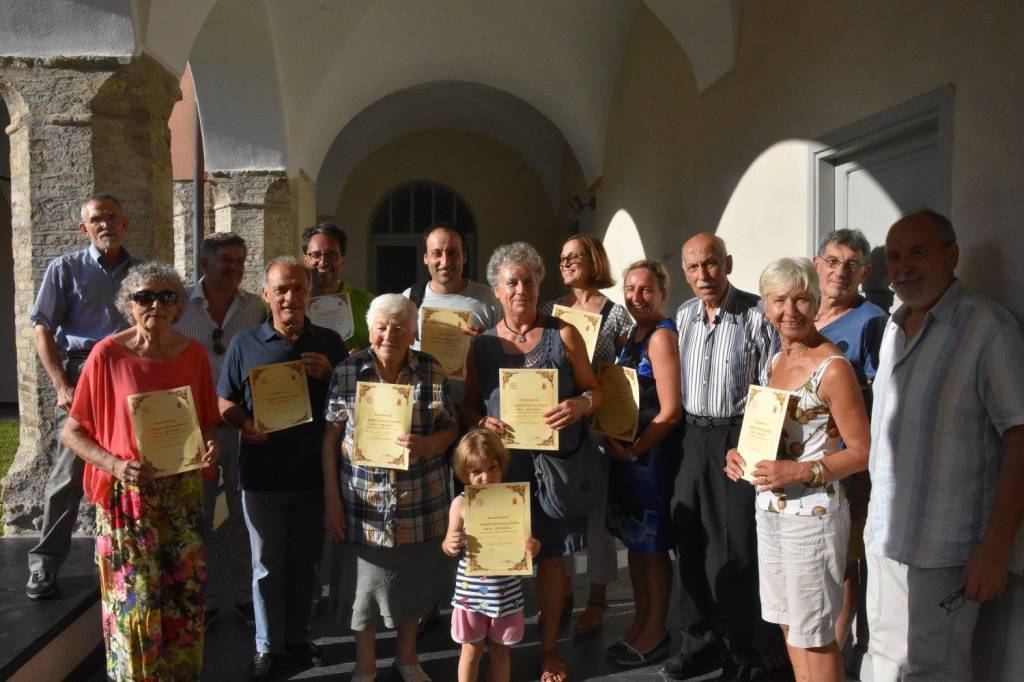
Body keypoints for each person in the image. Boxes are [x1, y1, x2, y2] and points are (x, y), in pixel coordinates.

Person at [864, 210, 1024, 681]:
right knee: (882, 658)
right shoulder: (893, 328)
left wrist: (996, 547)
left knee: (935, 670)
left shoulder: (987, 327)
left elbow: (1020, 437)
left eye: (918, 252)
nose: (903, 266)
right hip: (885, 537)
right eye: (894, 257)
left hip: (948, 549)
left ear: (951, 254)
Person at [61, 262, 220, 680]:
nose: (156, 305)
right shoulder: (107, 355)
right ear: (128, 305)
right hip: (125, 500)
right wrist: (115, 464)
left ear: (179, 305)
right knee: (134, 602)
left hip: (180, 496)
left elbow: (204, 424)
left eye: (166, 297)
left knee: (182, 598)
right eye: (144, 297)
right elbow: (72, 432)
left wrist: (208, 447)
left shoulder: (194, 354)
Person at [725, 257, 870, 682]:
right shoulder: (774, 362)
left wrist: (799, 473)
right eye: (779, 300)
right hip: (769, 510)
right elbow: (768, 433)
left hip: (813, 519)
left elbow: (862, 451)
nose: (790, 311)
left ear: (816, 302)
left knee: (815, 633)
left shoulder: (834, 368)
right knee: (788, 622)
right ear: (766, 305)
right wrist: (739, 454)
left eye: (802, 299)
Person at [463, 241, 602, 682]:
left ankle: (548, 648)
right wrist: (482, 418)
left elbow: (594, 390)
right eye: (512, 282)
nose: (521, 288)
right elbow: (467, 406)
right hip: (501, 468)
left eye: (529, 280)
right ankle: (494, 644)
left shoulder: (564, 334)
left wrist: (580, 406)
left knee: (553, 557)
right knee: (501, 553)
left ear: (539, 283)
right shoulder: (482, 345)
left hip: (554, 468)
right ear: (496, 291)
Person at [218, 257, 344, 680]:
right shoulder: (244, 343)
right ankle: (268, 646)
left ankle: (298, 638)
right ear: (267, 294)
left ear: (309, 294)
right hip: (262, 475)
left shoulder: (329, 342)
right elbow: (224, 401)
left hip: (313, 475)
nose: (291, 297)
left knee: (306, 565)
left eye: (298, 289)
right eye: (282, 290)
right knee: (268, 565)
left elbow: (351, 406)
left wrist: (330, 376)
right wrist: (244, 423)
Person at [322, 293, 458, 682]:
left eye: (399, 327)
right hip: (362, 500)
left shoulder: (431, 370)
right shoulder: (348, 372)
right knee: (362, 588)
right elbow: (329, 440)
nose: (389, 334)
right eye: (382, 326)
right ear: (369, 330)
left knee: (412, 586)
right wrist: (332, 500)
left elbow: (451, 426)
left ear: (413, 331)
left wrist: (430, 444)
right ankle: (364, 665)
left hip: (419, 497)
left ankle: (407, 658)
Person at [664, 233, 781, 682]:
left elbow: (771, 390)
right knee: (688, 543)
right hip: (693, 436)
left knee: (732, 547)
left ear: (727, 263)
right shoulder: (685, 315)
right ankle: (699, 647)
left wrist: (750, 445)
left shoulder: (755, 315)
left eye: (710, 264)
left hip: (738, 436)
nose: (702, 275)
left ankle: (742, 654)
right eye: (693, 268)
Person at [26, 193, 140, 600]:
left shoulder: (141, 272)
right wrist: (61, 384)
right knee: (69, 472)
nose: (106, 224)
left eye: (113, 216)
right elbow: (42, 328)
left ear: (125, 223)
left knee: (128, 468)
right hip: (82, 373)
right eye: (97, 219)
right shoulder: (65, 269)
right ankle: (44, 565)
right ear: (84, 228)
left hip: (129, 378)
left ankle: (122, 560)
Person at [539, 234, 632, 638]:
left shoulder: (616, 315)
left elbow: (626, 372)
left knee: (597, 518)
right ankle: (559, 596)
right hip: (555, 424)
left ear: (594, 260)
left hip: (596, 425)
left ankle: (597, 598)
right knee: (555, 512)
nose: (567, 263)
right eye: (562, 258)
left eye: (575, 256)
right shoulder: (549, 310)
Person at [174, 231, 266, 626]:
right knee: (199, 515)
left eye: (240, 260)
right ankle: (205, 600)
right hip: (192, 428)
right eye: (226, 259)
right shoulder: (178, 306)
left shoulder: (255, 309)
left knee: (247, 514)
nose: (234, 267)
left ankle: (247, 596)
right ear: (203, 264)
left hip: (242, 424)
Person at [602, 260, 681, 667]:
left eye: (646, 289)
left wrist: (633, 451)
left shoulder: (662, 338)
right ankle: (640, 621)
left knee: (651, 549)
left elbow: (669, 412)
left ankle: (657, 630)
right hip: (627, 456)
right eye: (630, 289)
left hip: (650, 458)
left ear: (663, 294)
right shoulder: (631, 335)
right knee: (634, 546)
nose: (636, 297)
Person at [812, 228, 887, 654]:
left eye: (852, 265)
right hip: (800, 460)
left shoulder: (871, 320)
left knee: (842, 560)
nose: (841, 272)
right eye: (834, 261)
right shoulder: (802, 315)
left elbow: (880, 395)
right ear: (817, 264)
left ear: (865, 272)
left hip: (845, 465)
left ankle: (836, 656)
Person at [442, 429, 541, 682]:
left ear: (502, 466)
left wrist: (532, 547)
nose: (486, 477)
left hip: (505, 593)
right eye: (476, 471)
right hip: (470, 594)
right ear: (465, 473)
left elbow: (529, 544)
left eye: (492, 468)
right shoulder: (460, 504)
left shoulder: (515, 501)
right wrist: (451, 543)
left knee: (501, 652)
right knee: (471, 651)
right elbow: (447, 546)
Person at [403, 221, 500, 406]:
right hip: (423, 410)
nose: (445, 261)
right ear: (425, 257)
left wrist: (486, 342)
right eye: (437, 253)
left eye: (453, 253)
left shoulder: (489, 299)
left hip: (474, 410)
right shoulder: (409, 299)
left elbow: (507, 355)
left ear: (464, 256)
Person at [303, 222, 375, 354]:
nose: (323, 262)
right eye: (316, 255)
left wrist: (366, 355)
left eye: (331, 255)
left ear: (342, 260)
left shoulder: (367, 303)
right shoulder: (295, 304)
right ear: (305, 260)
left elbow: (384, 348)